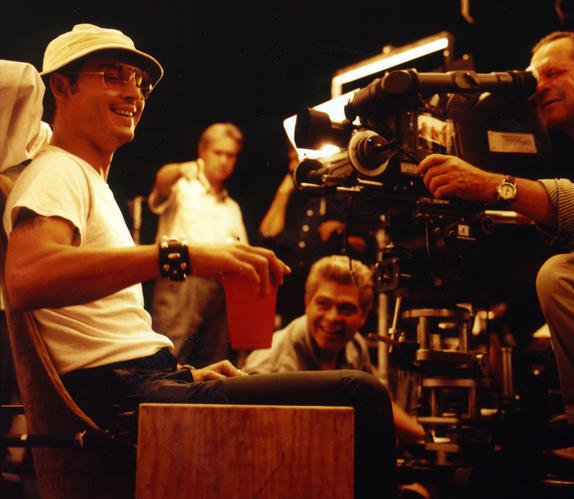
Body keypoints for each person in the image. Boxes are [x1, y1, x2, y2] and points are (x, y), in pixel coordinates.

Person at [1, 24, 396, 498]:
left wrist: (183, 375)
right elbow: (26, 279)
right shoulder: (58, 170)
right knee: (361, 394)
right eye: (111, 75)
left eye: (139, 82)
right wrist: (179, 255)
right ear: (61, 87)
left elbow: (104, 331)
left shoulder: (85, 178)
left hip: (146, 384)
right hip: (128, 400)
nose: (133, 93)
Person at [416, 31, 574, 471]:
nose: (539, 87)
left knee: (563, 278)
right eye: (533, 79)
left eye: (554, 73)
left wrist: (495, 186)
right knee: (564, 337)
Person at [244, 254, 426, 444]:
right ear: (307, 303)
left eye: (346, 309)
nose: (332, 318)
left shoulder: (355, 346)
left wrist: (426, 439)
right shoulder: (272, 364)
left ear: (363, 316)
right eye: (323, 304)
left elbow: (377, 401)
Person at [148, 122, 248, 366]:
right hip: (181, 283)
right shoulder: (181, 188)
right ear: (203, 152)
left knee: (213, 363)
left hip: (220, 290)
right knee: (170, 358)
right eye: (218, 152)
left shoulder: (232, 207)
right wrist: (181, 169)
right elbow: (162, 180)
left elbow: (243, 253)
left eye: (231, 155)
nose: (224, 161)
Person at [258, 141, 374, 326]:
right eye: (291, 159)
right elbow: (267, 233)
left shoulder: (343, 195)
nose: (291, 165)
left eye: (296, 159)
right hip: (292, 299)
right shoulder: (295, 198)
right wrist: (284, 191)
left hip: (329, 298)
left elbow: (367, 244)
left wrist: (340, 229)